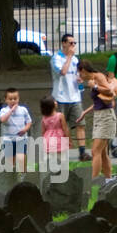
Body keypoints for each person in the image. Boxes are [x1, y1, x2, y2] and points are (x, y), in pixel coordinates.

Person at [77, 61, 117, 180]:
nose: (79, 76)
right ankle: (108, 179)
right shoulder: (92, 80)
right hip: (99, 116)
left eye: (80, 73)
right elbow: (98, 102)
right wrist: (84, 112)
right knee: (102, 152)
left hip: (106, 117)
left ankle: (93, 181)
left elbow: (109, 91)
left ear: (83, 70)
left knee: (95, 151)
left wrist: (94, 86)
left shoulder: (98, 77)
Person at [51, 33, 89, 161]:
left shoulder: (75, 59)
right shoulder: (56, 58)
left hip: (75, 97)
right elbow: (62, 72)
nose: (73, 45)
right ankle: (60, 153)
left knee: (80, 124)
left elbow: (77, 74)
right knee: (60, 126)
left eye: (74, 43)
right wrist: (68, 57)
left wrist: (80, 79)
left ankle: (82, 152)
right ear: (64, 43)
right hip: (60, 97)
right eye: (71, 43)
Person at [0, 87, 33, 170]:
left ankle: (23, 177)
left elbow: (29, 122)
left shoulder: (23, 110)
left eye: (15, 99)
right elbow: (2, 120)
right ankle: (11, 178)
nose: (13, 101)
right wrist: (11, 111)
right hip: (8, 140)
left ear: (18, 99)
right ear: (5, 100)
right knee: (10, 163)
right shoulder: (3, 110)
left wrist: (25, 129)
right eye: (10, 99)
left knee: (22, 160)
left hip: (21, 139)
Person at [40, 96, 68, 161]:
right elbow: (65, 129)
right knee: (62, 160)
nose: (56, 102)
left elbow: (43, 132)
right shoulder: (60, 115)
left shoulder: (44, 118)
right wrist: (68, 140)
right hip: (59, 140)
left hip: (48, 141)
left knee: (49, 161)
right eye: (54, 101)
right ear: (52, 105)